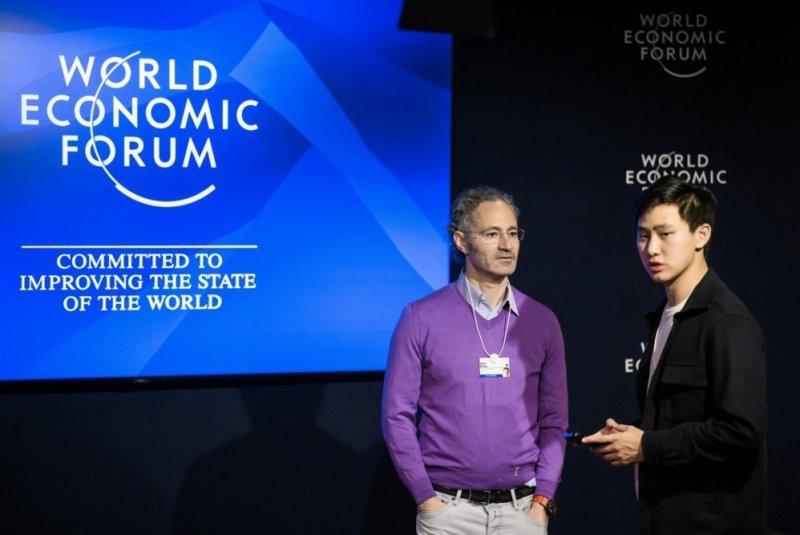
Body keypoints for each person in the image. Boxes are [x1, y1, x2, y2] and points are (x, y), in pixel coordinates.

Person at [583, 177, 767, 534]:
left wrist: (647, 445)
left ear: (701, 235)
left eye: (665, 234)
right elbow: (679, 416)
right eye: (643, 235)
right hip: (661, 517)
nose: (651, 248)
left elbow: (740, 431)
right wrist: (632, 435)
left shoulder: (727, 321)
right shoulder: (665, 316)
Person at [382, 187, 568, 534]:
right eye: (492, 234)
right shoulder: (420, 318)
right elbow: (397, 417)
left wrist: (542, 500)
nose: (507, 245)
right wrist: (426, 499)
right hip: (448, 512)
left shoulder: (542, 321)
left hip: (522, 512)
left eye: (513, 233)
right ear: (461, 241)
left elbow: (555, 422)